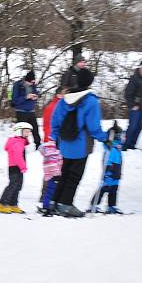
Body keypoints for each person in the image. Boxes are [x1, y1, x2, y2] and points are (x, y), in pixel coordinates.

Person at [50, 67, 107, 218]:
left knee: (64, 174)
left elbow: (55, 120)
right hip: (81, 145)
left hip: (64, 143)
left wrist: (55, 138)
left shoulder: (65, 99)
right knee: (74, 176)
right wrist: (105, 138)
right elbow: (93, 127)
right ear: (90, 82)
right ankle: (66, 205)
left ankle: (54, 202)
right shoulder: (91, 101)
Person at [0, 122, 31, 214]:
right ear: (19, 131)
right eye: (26, 132)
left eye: (29, 132)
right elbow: (18, 156)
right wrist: (23, 167)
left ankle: (12, 204)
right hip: (15, 167)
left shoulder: (21, 142)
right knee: (13, 186)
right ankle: (2, 204)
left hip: (18, 168)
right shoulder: (17, 142)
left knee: (18, 186)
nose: (28, 134)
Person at [92, 122, 124, 214]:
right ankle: (94, 205)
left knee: (114, 189)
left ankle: (111, 206)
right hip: (110, 173)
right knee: (104, 188)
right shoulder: (110, 149)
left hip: (116, 174)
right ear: (116, 137)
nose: (123, 138)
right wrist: (108, 173)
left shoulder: (117, 148)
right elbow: (107, 162)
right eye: (121, 136)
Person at [122, 59, 142, 151]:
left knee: (139, 127)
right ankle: (125, 145)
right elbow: (127, 93)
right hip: (135, 108)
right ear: (141, 67)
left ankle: (132, 145)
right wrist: (132, 105)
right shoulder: (134, 78)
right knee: (132, 126)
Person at [11, 70, 41, 148]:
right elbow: (15, 100)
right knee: (23, 131)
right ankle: (21, 146)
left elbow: (36, 94)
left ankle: (38, 145)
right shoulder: (18, 85)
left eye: (33, 82)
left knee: (35, 129)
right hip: (21, 112)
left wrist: (35, 97)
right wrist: (26, 97)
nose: (32, 84)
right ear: (26, 80)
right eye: (30, 82)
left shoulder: (33, 86)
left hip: (31, 111)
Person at [37, 140, 63, 215]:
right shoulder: (54, 151)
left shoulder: (48, 149)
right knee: (51, 191)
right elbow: (54, 163)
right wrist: (57, 173)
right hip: (54, 174)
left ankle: (47, 206)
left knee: (49, 190)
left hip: (49, 173)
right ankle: (47, 207)